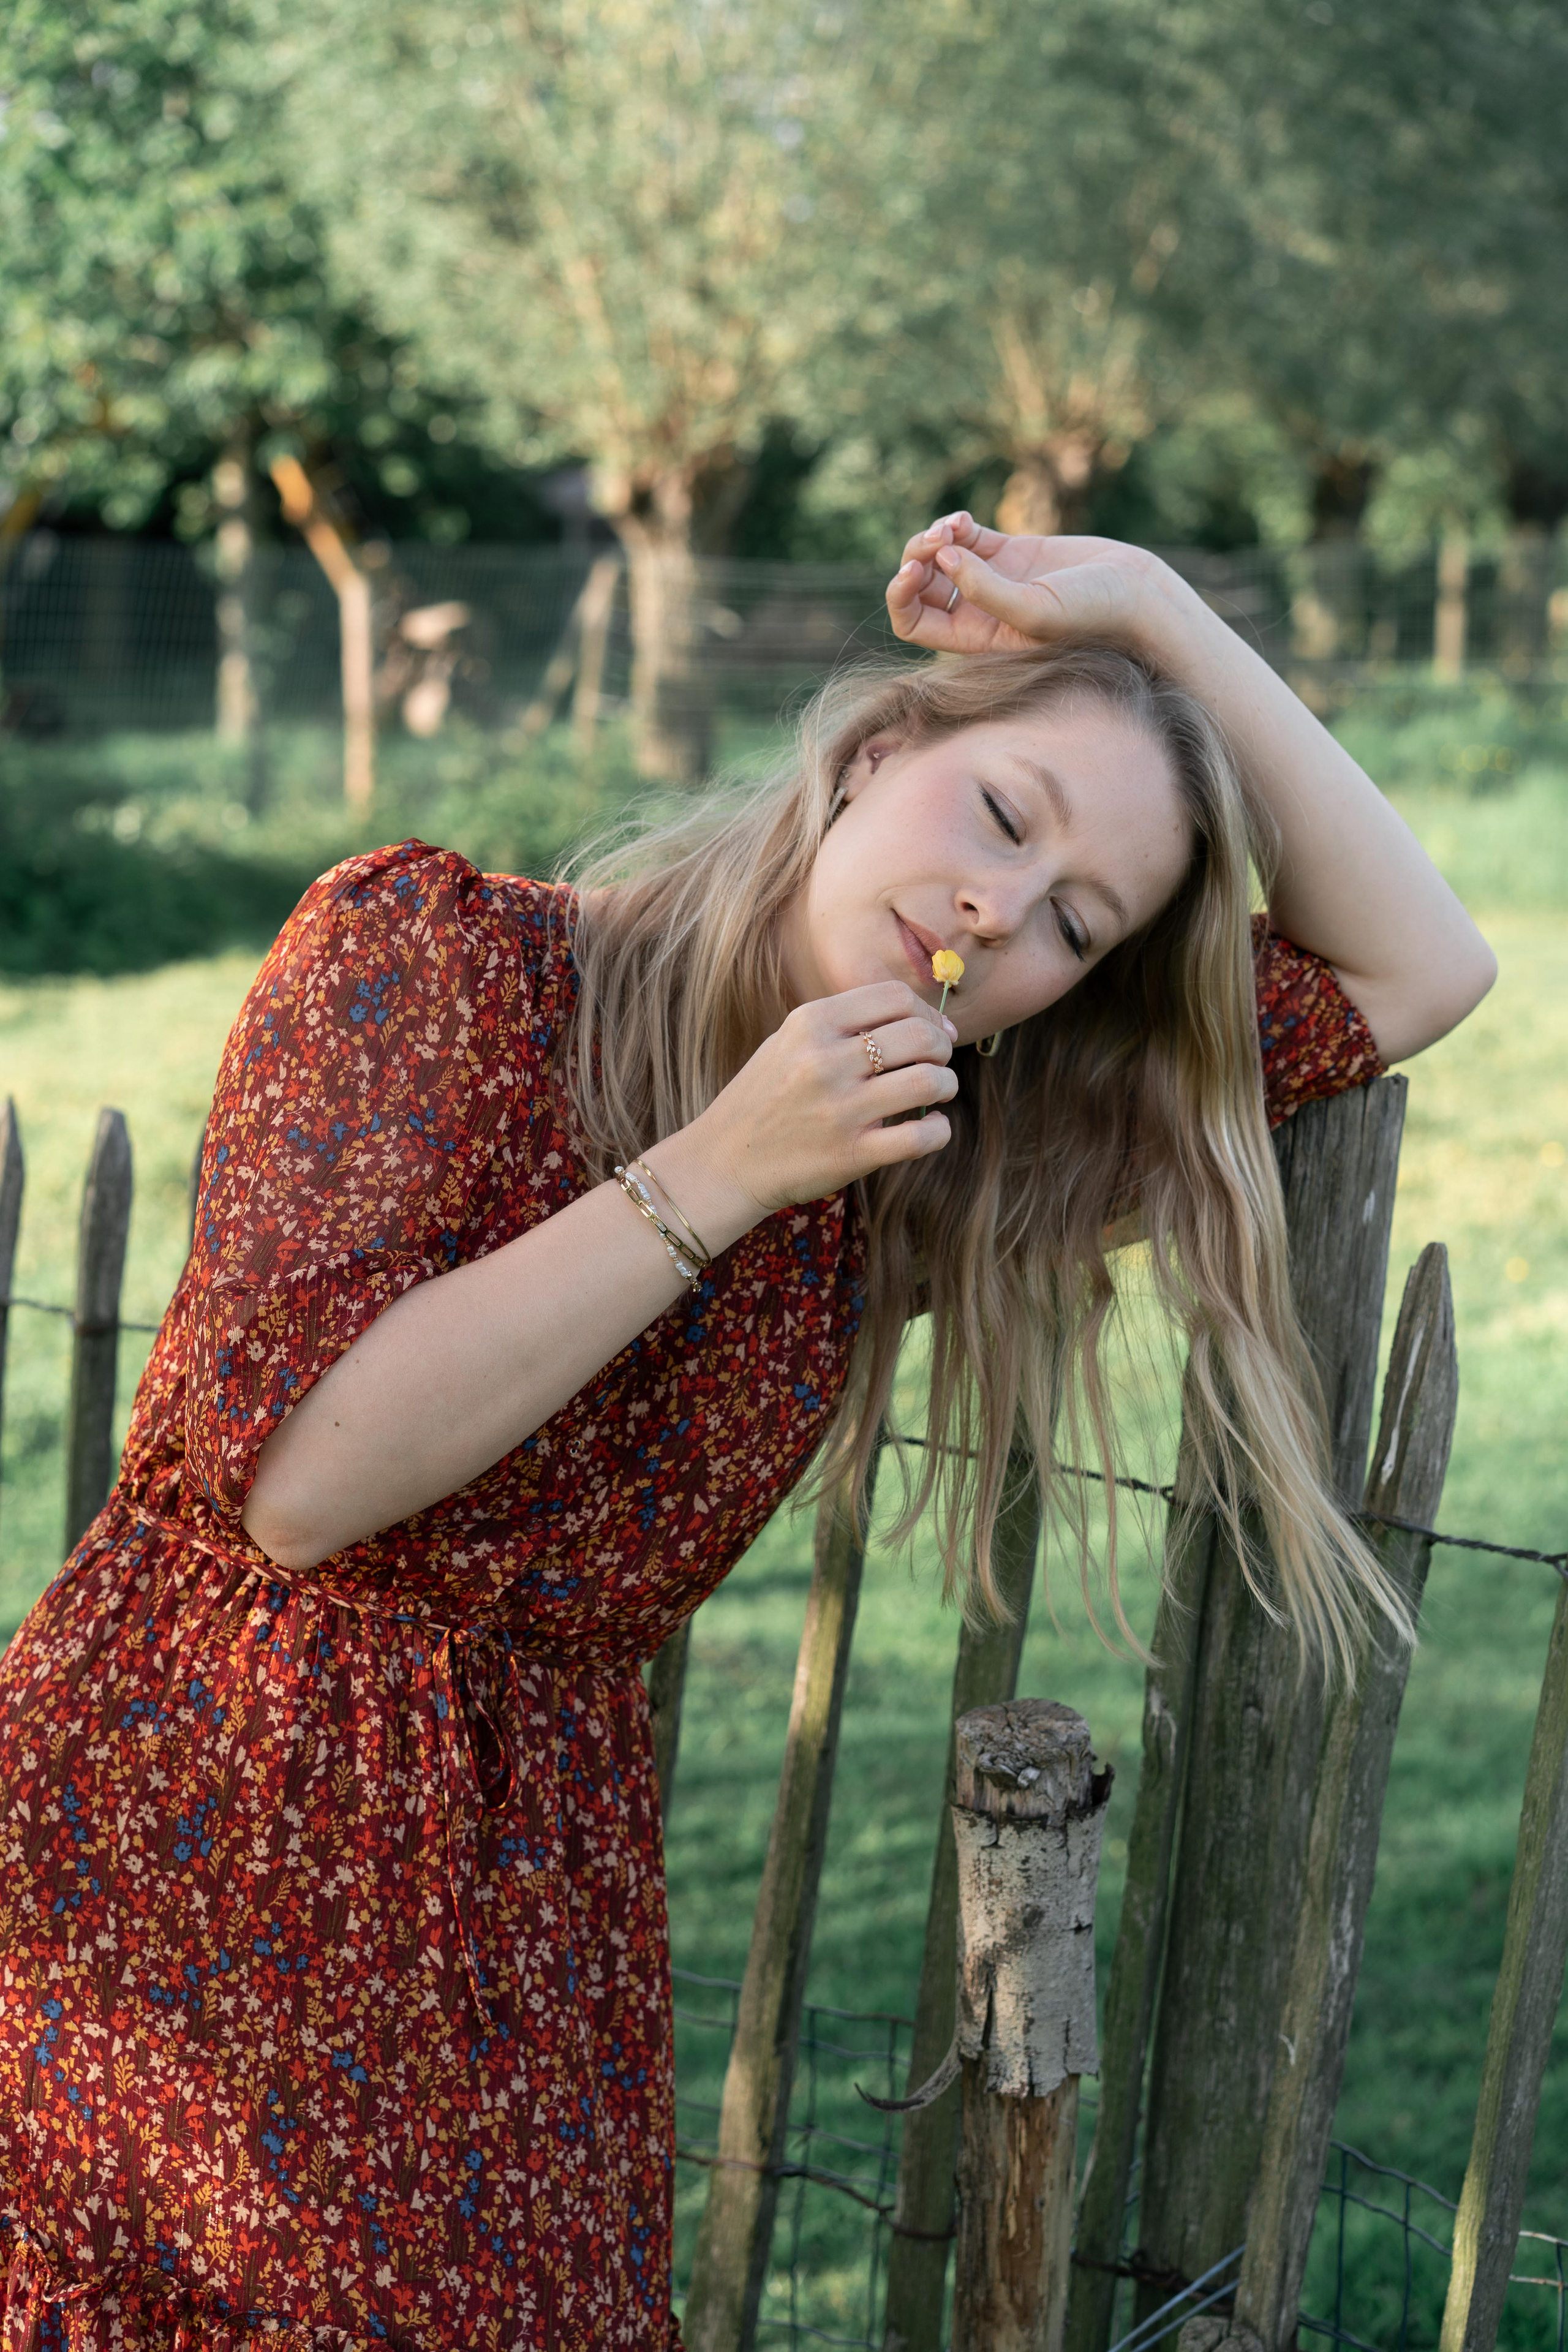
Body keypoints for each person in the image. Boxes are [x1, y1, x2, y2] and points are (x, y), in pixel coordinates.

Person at [0, 522, 1494, 2350]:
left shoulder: (900, 1163)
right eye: (1005, 819)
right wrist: (719, 1171)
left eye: (1072, 926)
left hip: (523, 1937)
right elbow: (303, 1490)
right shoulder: (433, 959)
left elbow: (1421, 971)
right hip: (177, 1851)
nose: (997, 917)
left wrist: (1156, 614)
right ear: (873, 756)